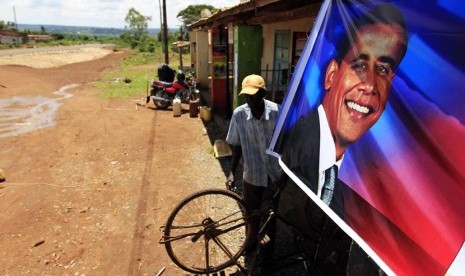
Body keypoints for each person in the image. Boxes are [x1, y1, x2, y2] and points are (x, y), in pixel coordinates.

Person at [275, 4, 408, 275]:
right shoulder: (296, 144)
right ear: (331, 75)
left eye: (383, 69)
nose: (370, 85)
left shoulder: (357, 175)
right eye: (360, 64)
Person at [226, 74, 280, 258]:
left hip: (274, 177)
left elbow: (286, 144)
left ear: (263, 93)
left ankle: (268, 256)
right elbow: (236, 144)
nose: (250, 100)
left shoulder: (276, 112)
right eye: (247, 96)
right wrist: (231, 172)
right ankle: (250, 245)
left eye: (254, 96)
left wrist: (284, 177)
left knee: (271, 218)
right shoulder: (239, 115)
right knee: (251, 215)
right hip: (252, 176)